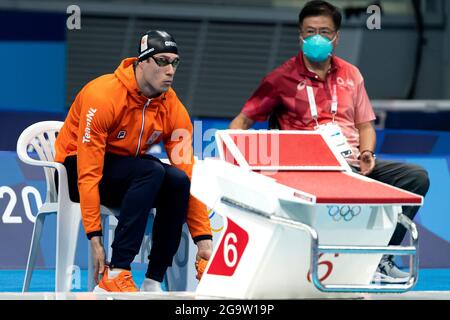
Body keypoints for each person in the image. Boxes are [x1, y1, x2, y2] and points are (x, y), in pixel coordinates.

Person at [229, 0, 429, 283]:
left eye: (324, 32)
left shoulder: (351, 74)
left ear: (336, 37)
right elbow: (242, 121)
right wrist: (238, 162)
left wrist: (367, 152)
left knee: (415, 178)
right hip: (306, 169)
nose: (316, 38)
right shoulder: (280, 79)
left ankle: (380, 259)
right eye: (310, 32)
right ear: (300, 35)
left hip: (351, 164)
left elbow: (365, 126)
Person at [55, 30, 213, 292]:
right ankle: (117, 272)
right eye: (162, 61)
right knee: (150, 171)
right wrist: (95, 237)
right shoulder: (103, 96)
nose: (170, 70)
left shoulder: (172, 108)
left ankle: (153, 280)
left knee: (177, 180)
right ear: (142, 62)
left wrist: (203, 240)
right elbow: (88, 172)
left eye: (175, 62)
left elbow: (188, 174)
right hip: (73, 171)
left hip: (126, 173)